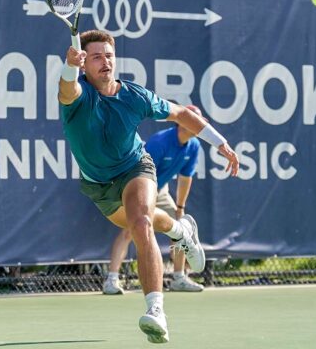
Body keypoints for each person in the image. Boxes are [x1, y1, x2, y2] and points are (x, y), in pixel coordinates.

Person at [59, 29, 239, 344]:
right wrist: (68, 67)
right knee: (150, 221)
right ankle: (182, 232)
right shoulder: (78, 97)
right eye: (97, 57)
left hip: (135, 168)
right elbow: (66, 89)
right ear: (85, 63)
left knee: (141, 224)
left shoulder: (135, 96)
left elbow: (181, 114)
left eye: (110, 56)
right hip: (98, 185)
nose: (105, 63)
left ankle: (156, 310)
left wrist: (219, 142)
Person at [103, 104, 206, 295]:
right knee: (130, 229)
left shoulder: (194, 146)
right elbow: (139, 171)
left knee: (179, 229)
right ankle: (111, 279)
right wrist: (140, 199)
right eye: (195, 122)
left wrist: (180, 207)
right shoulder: (160, 142)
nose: (199, 127)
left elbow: (185, 178)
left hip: (160, 189)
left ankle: (179, 277)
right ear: (182, 124)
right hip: (137, 184)